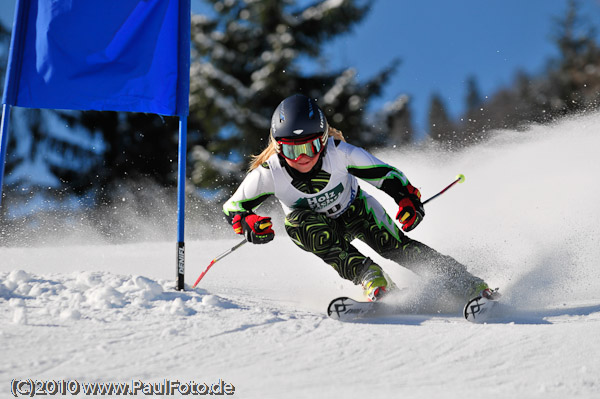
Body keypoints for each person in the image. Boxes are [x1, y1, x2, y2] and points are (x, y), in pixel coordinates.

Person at [223, 94, 497, 303]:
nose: (303, 157)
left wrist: (407, 199)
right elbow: (233, 208)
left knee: (396, 246)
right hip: (318, 229)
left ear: (323, 139)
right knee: (298, 225)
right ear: (278, 147)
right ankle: (370, 276)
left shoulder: (340, 153)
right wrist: (249, 223)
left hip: (358, 212)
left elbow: (386, 175)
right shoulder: (270, 171)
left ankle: (464, 282)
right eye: (292, 151)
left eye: (311, 146)